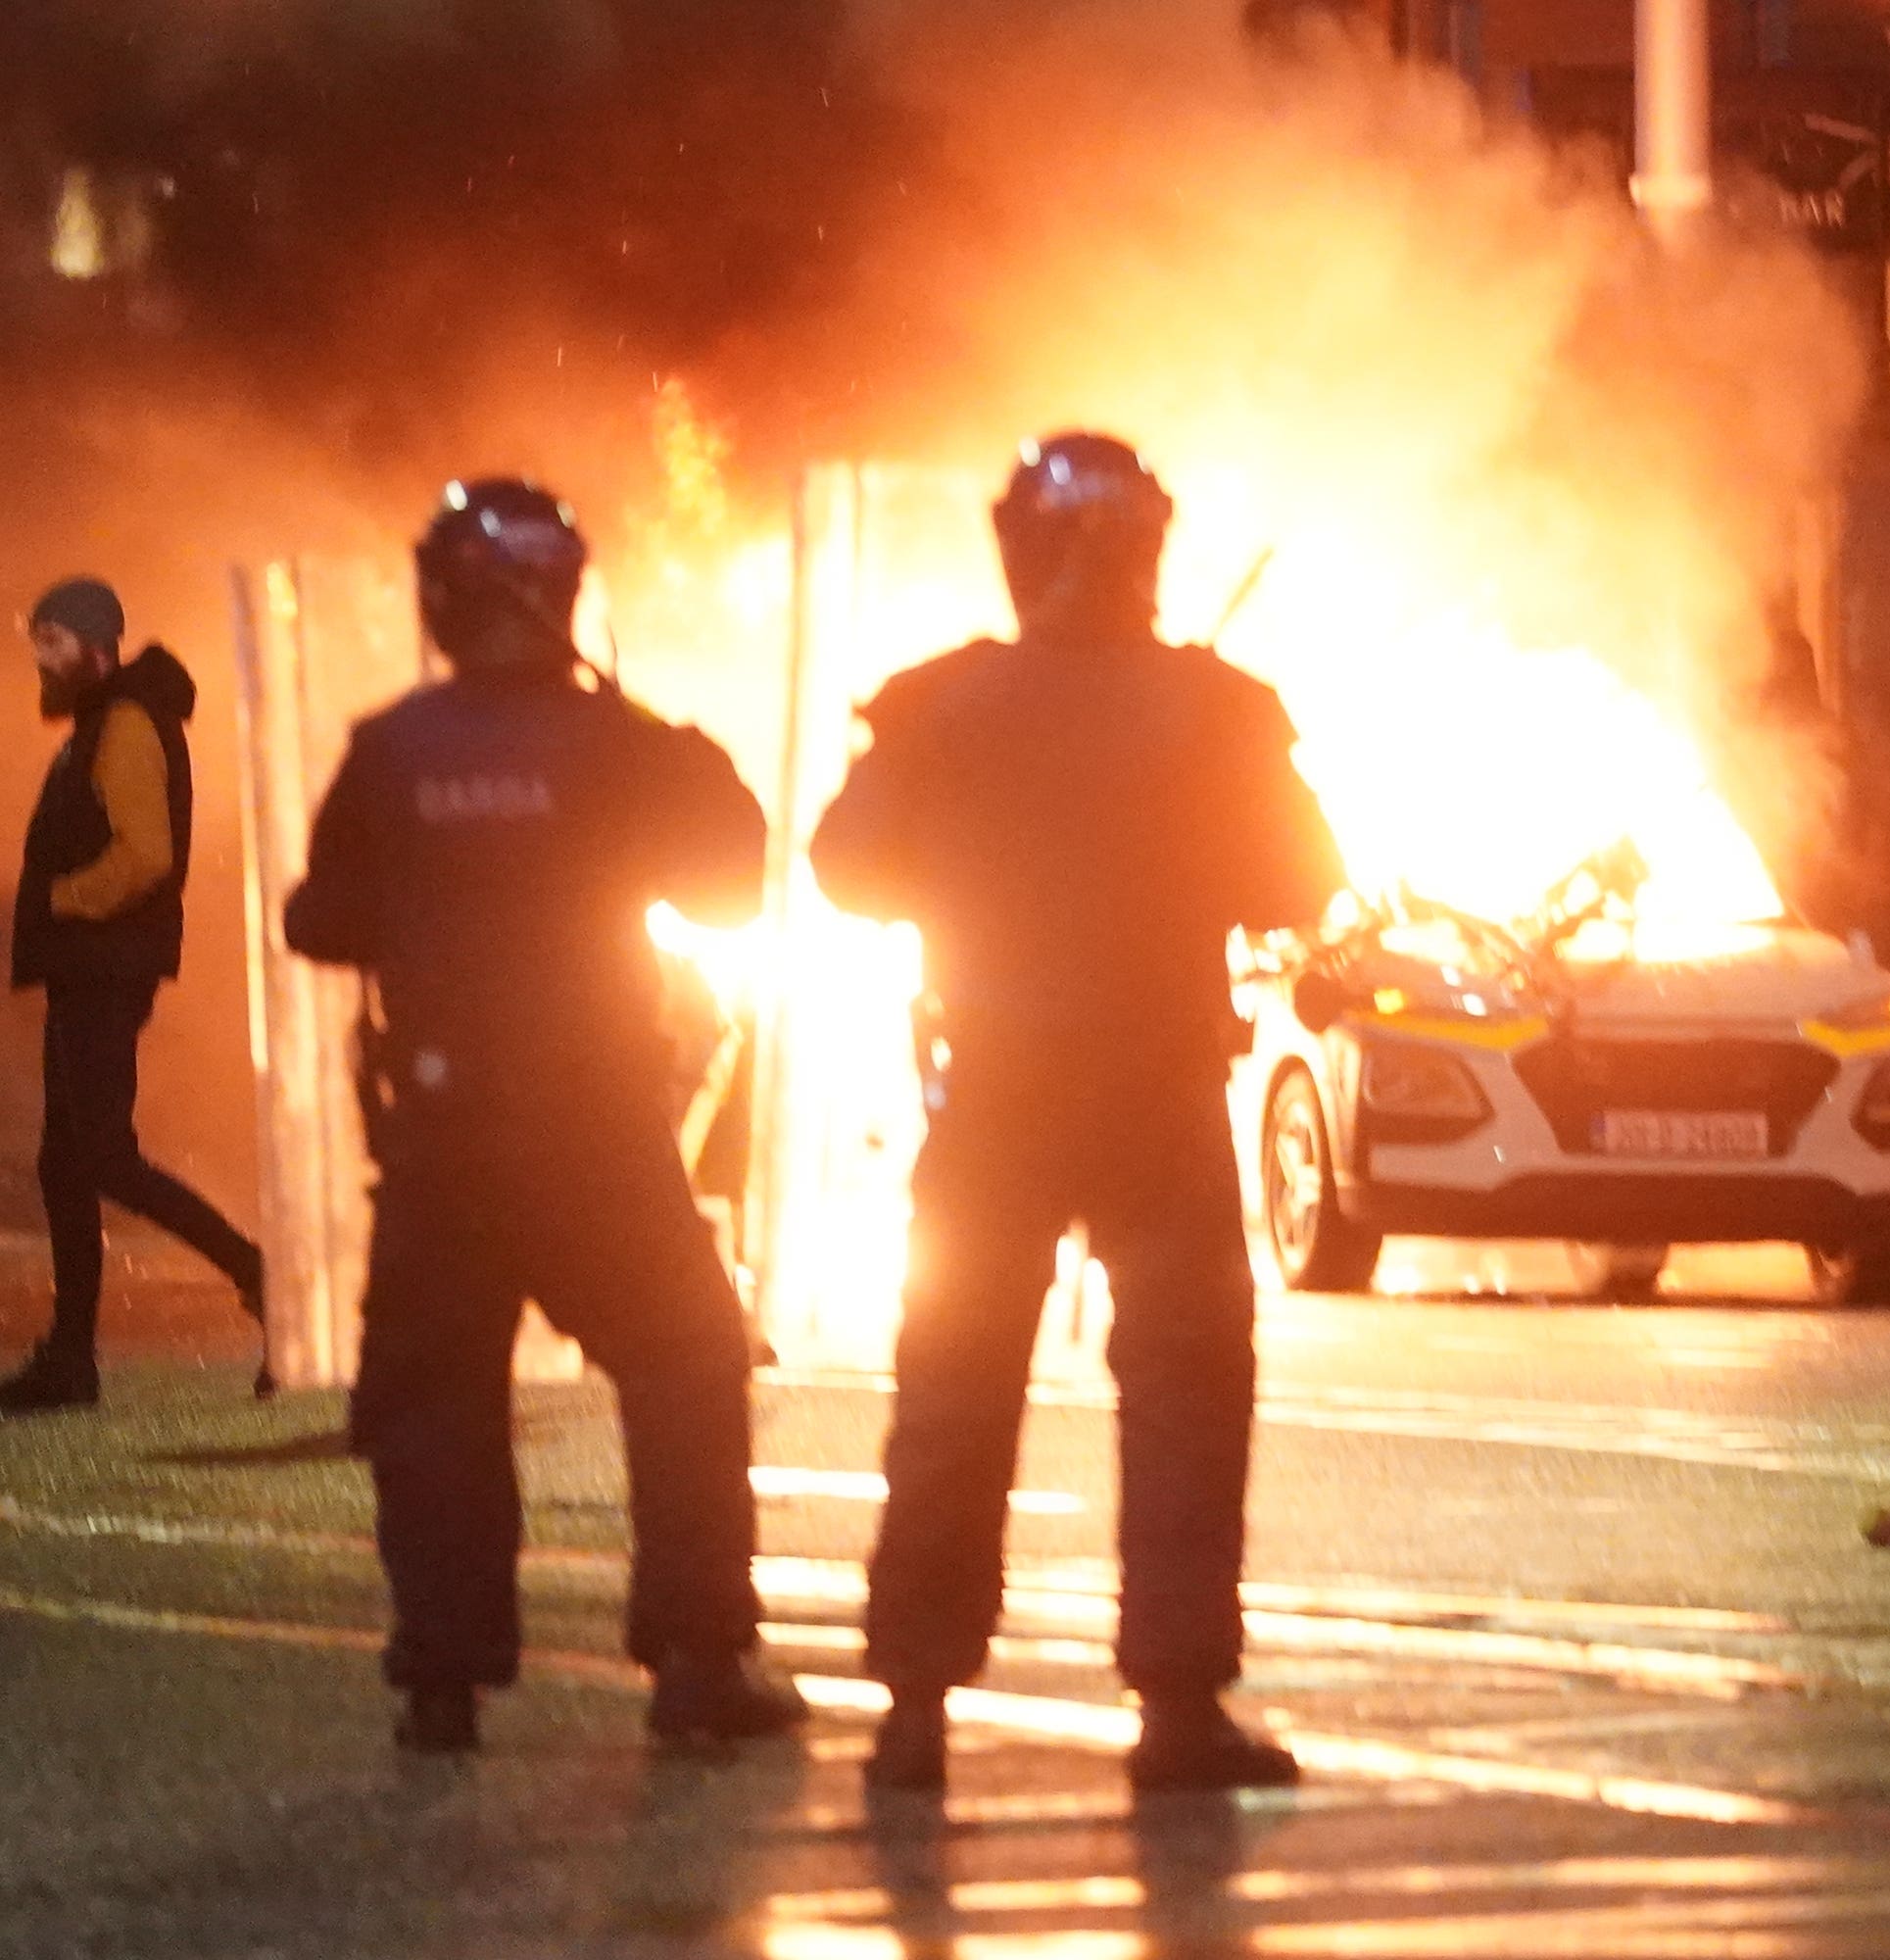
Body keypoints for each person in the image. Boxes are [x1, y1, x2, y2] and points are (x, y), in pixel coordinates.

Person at [812, 432, 1344, 1794]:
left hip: (992, 1095)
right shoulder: (1217, 707)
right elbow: (1299, 881)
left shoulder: (941, 703)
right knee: (1182, 1393)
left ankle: (915, 1708)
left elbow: (848, 871)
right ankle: (1175, 1707)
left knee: (954, 1385)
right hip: (1158, 1093)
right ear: (1147, 552)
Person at [283, 478, 804, 1754]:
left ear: (448, 595)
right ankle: (696, 1662)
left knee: (435, 1398)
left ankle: (442, 1684)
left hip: (443, 1136)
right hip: (596, 1132)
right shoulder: (622, 745)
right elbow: (735, 884)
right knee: (686, 1361)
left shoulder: (390, 748)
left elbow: (318, 919)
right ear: (562, 587)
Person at [1, 578, 266, 1414]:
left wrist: (58, 902)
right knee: (66, 1160)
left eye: (49, 642)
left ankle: (260, 1277)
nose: (37, 659)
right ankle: (70, 1361)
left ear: (93, 644)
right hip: (92, 967)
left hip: (107, 967)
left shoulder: (122, 724)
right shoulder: (102, 721)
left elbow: (146, 855)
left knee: (103, 1155)